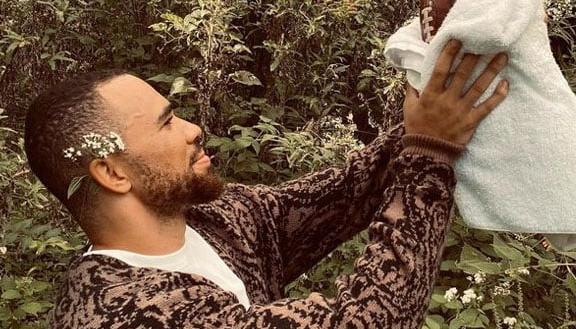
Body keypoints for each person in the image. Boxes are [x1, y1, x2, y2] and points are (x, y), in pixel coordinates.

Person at [24, 40, 508, 328]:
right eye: (167, 122)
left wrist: (440, 103)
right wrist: (431, 152)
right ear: (112, 173)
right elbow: (366, 320)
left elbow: (346, 192)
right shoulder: (120, 311)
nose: (193, 129)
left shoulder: (217, 219)